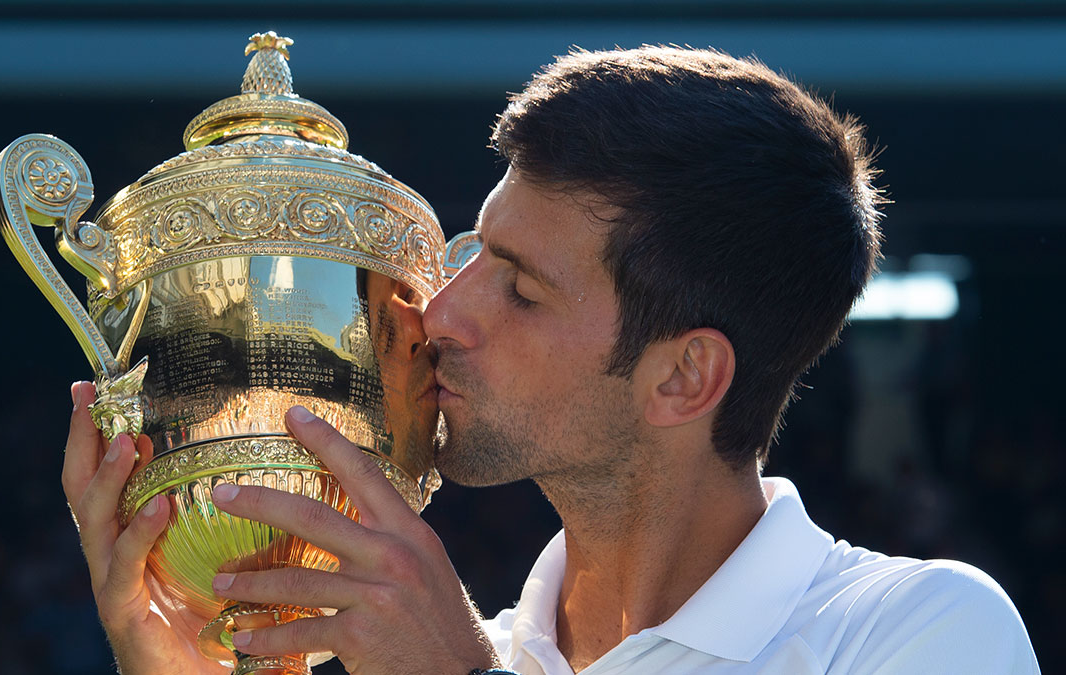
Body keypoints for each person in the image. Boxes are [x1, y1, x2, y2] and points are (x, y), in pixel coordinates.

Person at [62, 45, 1040, 674]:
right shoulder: (435, 646)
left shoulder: (921, 634)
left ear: (683, 378)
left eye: (521, 289)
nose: (440, 312)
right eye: (474, 252)